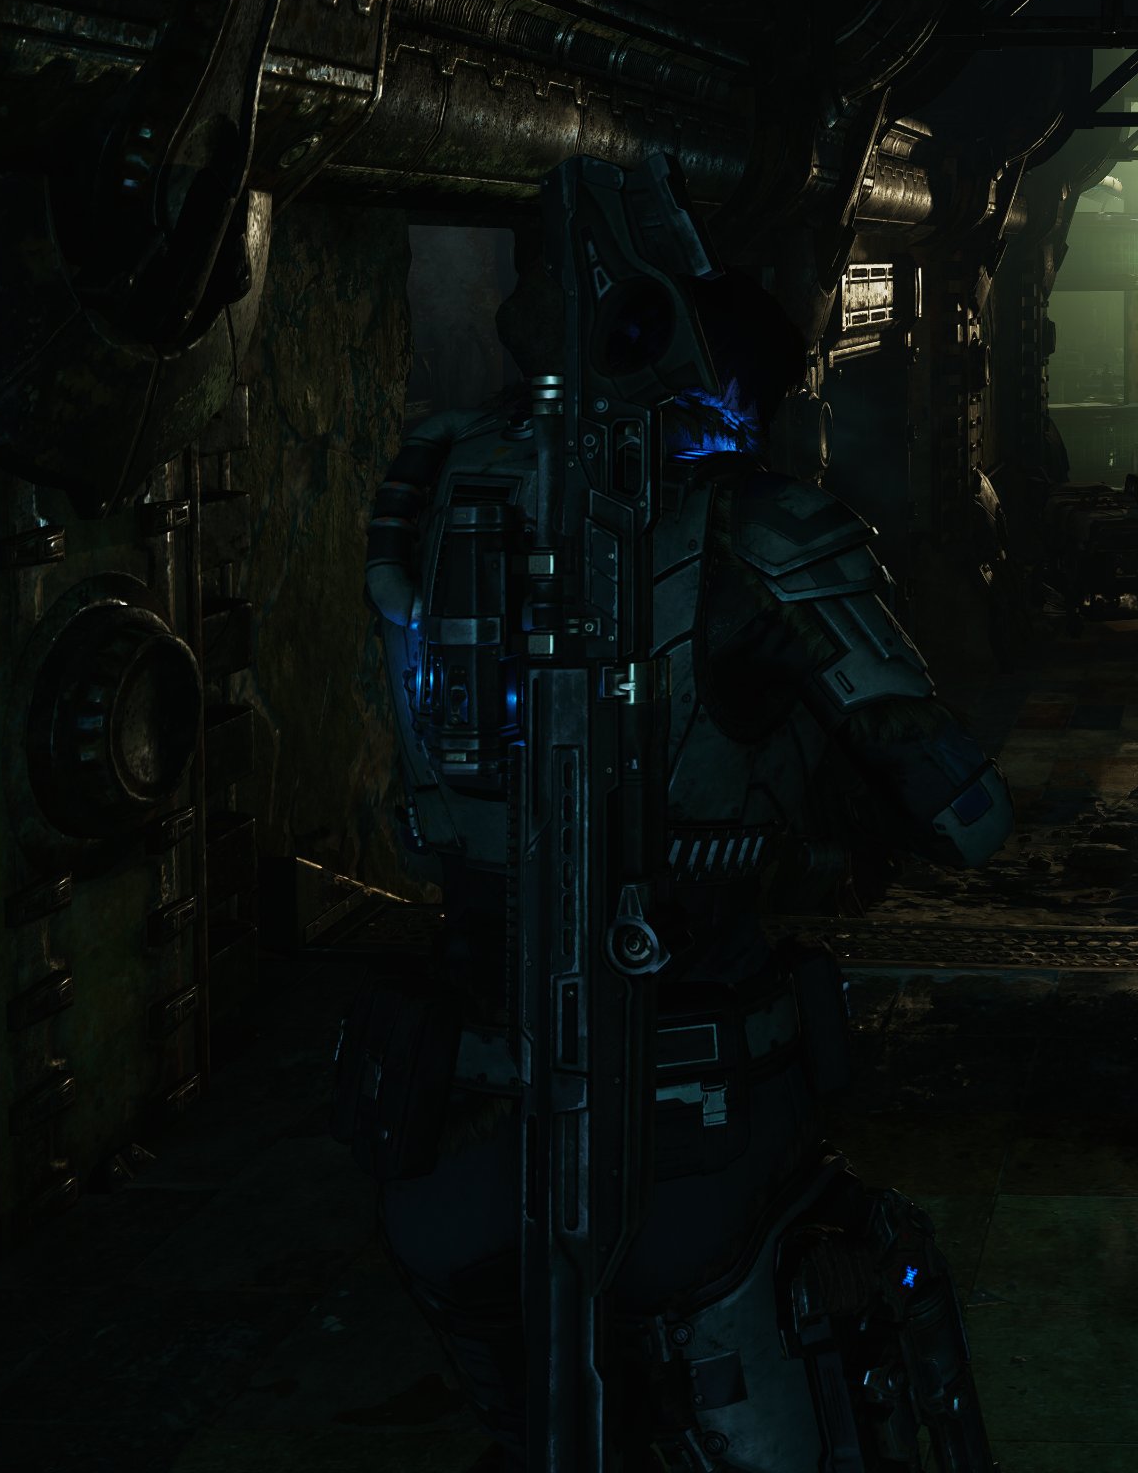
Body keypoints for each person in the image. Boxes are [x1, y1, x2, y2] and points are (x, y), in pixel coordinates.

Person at [347, 156, 1009, 1470]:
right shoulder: (757, 534)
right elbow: (964, 813)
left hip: (470, 1134)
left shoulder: (432, 499)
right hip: (698, 1132)